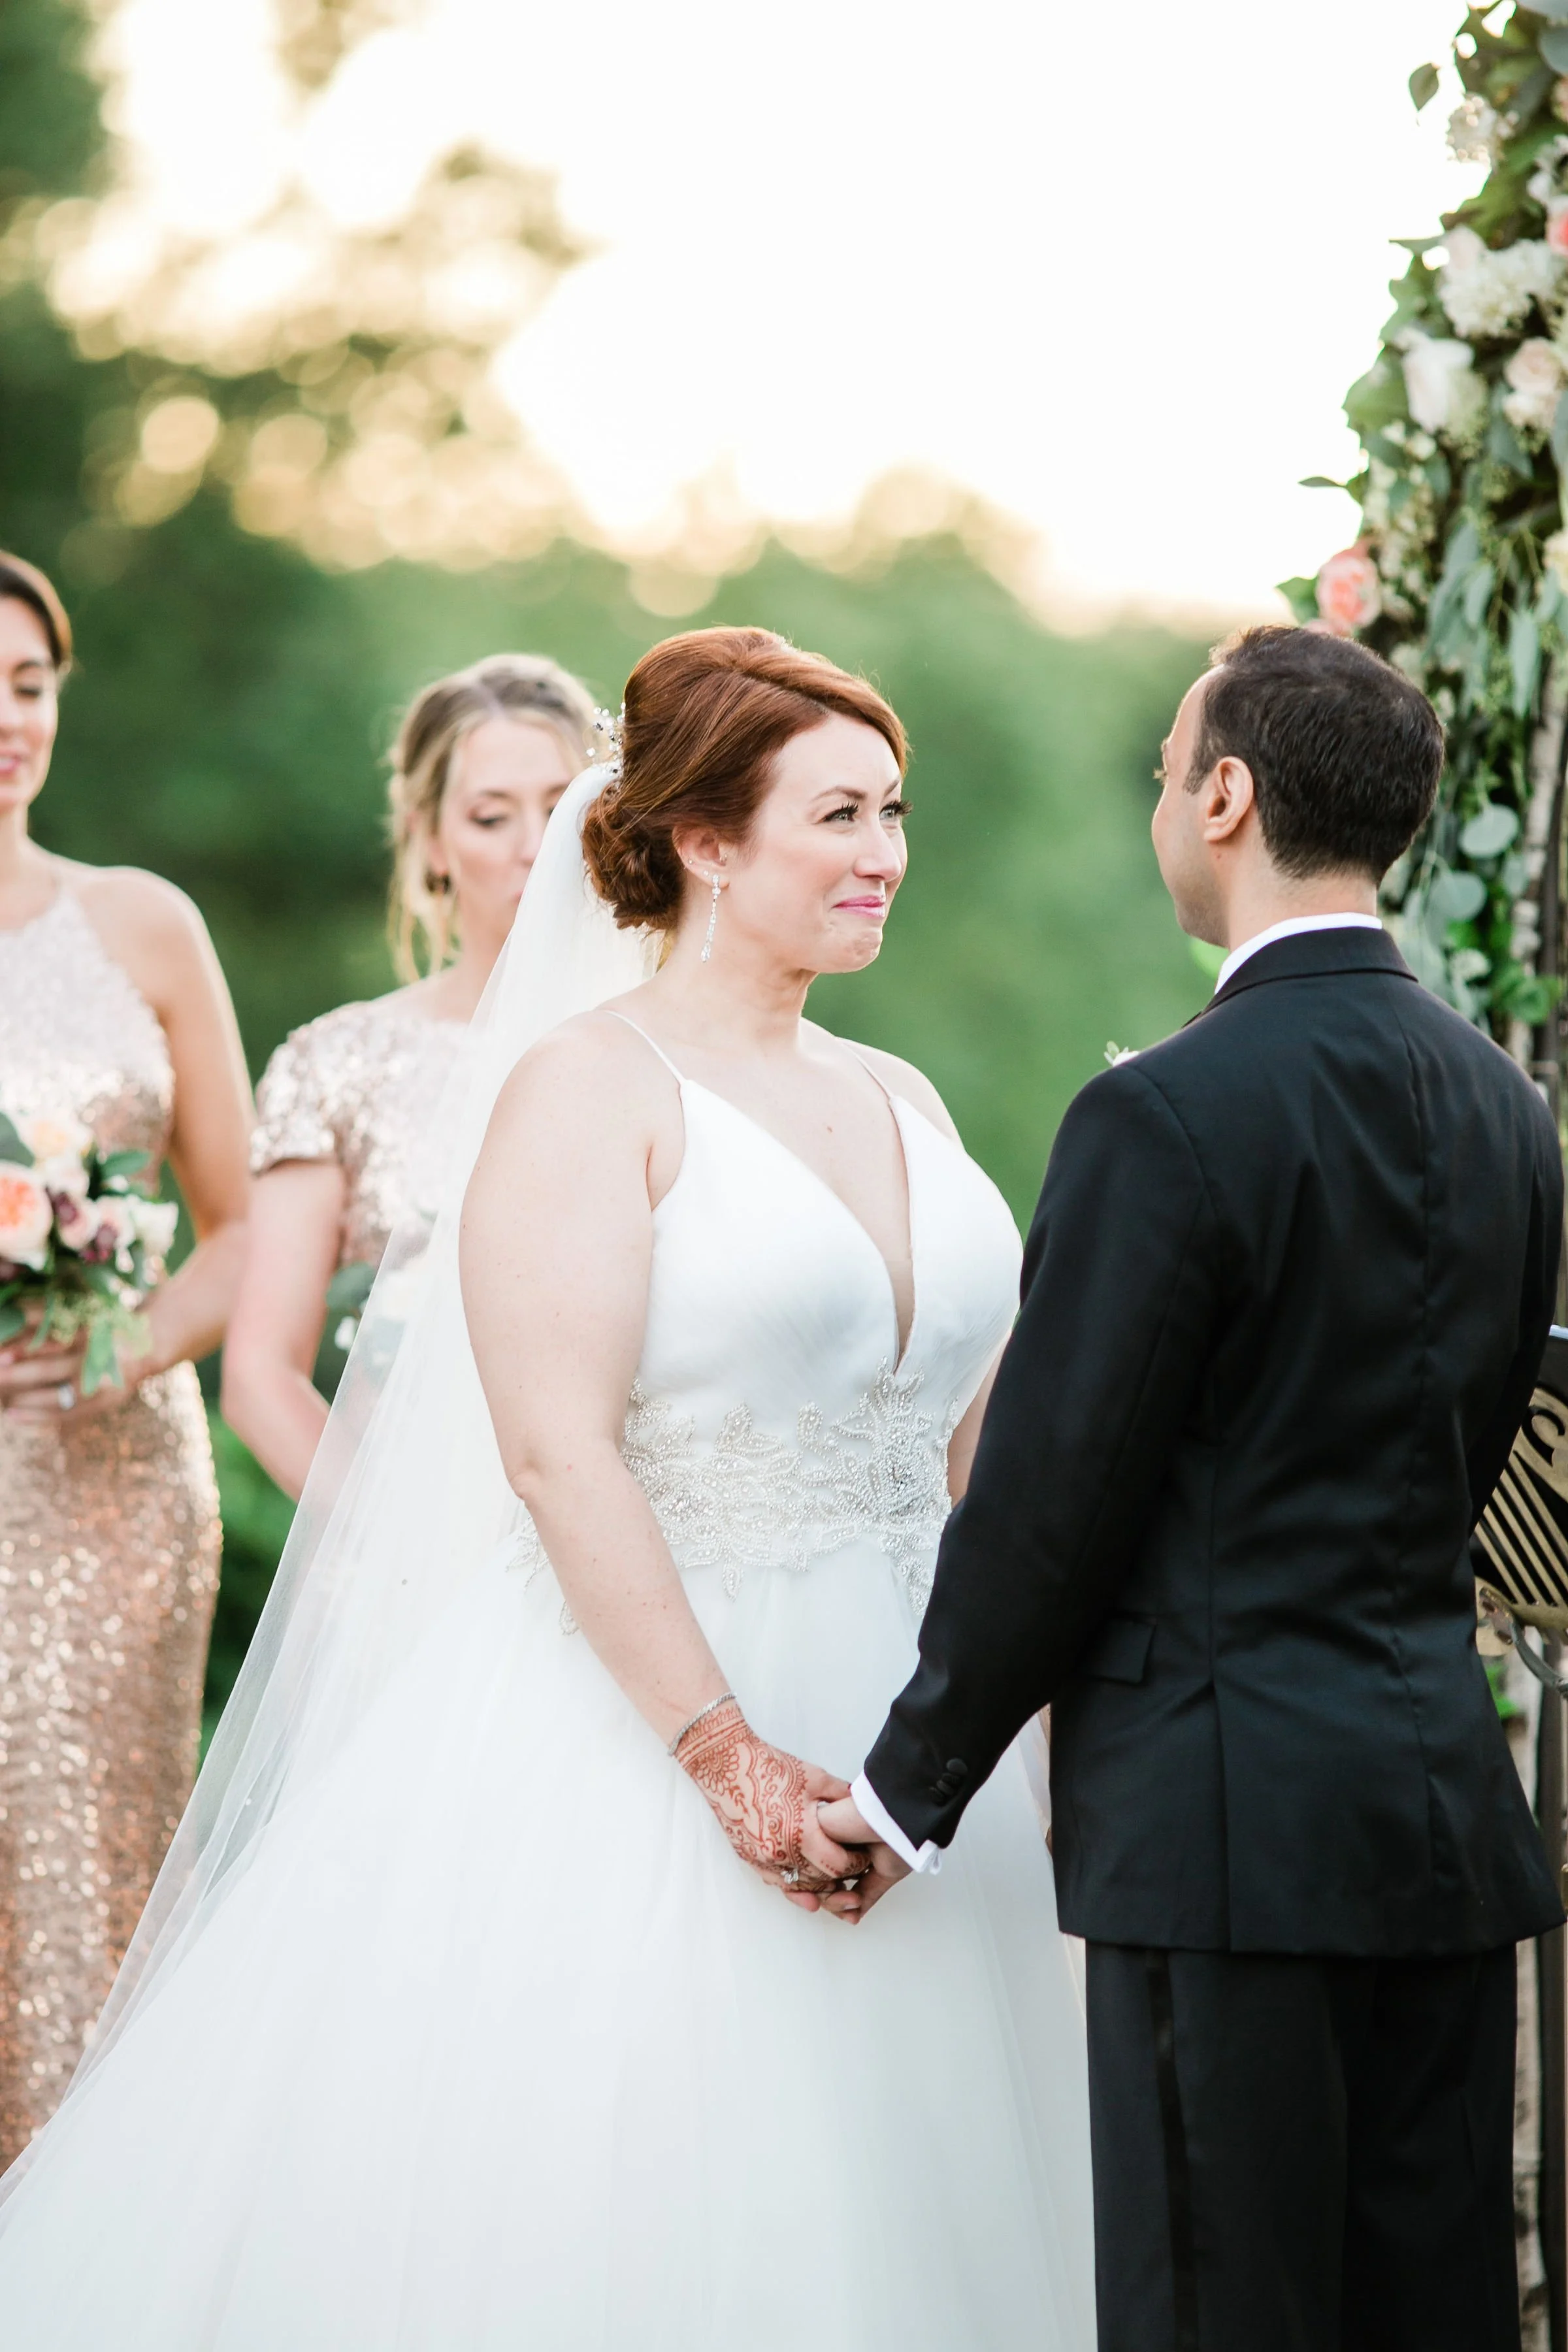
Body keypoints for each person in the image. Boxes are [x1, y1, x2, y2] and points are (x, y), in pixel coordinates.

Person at [0, 627, 1095, 2349]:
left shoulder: (903, 1092)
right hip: (657, 1714)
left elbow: (975, 1441)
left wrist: (1010, 1723)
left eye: (893, 811)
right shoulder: (589, 1090)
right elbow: (552, 1446)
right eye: (838, 815)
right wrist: (725, 1756)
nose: (884, 852)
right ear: (707, 843)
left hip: (911, 1740)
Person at [825, 625, 1563, 2352]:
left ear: (1224, 796)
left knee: (1218, 2313)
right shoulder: (1506, 1110)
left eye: (1170, 771)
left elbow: (1049, 1500)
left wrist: (906, 1784)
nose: (1164, 799)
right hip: (1444, 1824)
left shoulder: (1160, 1116)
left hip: (1218, 1837)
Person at [0, 552, 252, 2166]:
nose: (5, 723)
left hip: (106, 1498)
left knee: (86, 1882)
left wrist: (129, 1345)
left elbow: (242, 1227)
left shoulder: (142, 923)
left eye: (25, 688)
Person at [221, 654, 598, 1499]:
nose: (536, 848)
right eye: (491, 817)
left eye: (562, 805)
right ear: (432, 842)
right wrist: (379, 1552)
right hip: (412, 1529)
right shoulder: (337, 1063)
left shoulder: (679, 1047)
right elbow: (260, 1375)